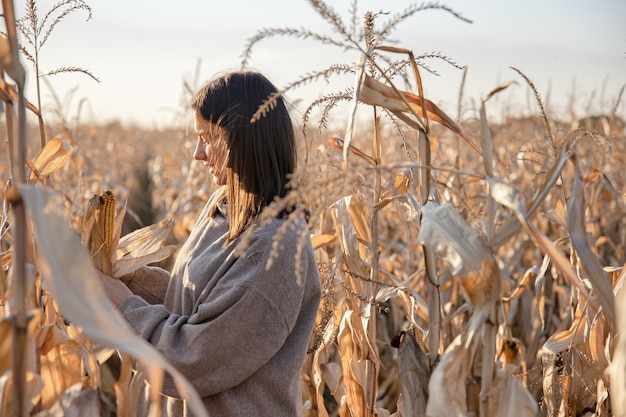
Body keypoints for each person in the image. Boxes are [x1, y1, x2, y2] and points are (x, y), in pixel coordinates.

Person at [98, 70, 322, 417]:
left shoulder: (275, 248)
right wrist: (130, 280)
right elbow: (196, 303)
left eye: (208, 137)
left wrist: (126, 308)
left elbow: (195, 359)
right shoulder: (223, 207)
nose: (198, 154)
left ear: (245, 139)